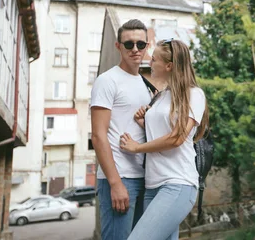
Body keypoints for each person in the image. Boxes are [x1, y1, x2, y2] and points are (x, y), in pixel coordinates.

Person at [119, 39, 210, 240]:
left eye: (154, 60)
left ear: (169, 66)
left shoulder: (194, 94)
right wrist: (145, 121)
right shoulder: (161, 97)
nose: (149, 63)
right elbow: (162, 133)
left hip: (178, 183)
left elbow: (177, 138)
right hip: (153, 186)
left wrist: (137, 148)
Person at [90, 19, 151, 240]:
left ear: (147, 45)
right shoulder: (107, 81)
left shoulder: (145, 84)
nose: (135, 49)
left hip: (144, 177)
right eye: (128, 44)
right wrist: (115, 184)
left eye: (140, 44)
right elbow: (98, 136)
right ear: (118, 46)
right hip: (119, 178)